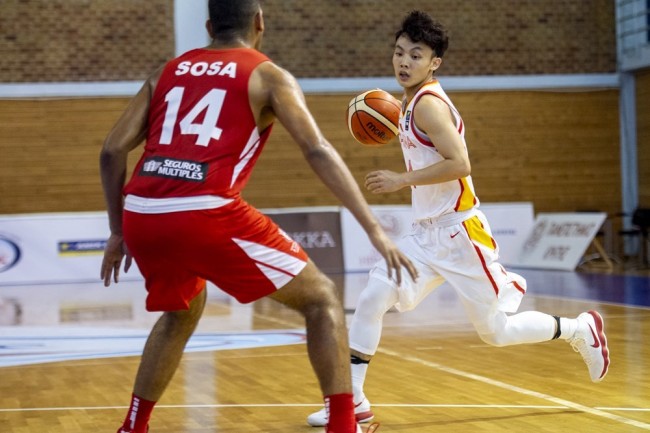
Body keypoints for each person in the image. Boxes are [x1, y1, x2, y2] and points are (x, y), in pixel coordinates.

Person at [99, 1, 416, 433]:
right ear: (259, 22)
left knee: (180, 312)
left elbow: (112, 150)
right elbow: (317, 149)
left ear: (209, 26)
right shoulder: (268, 75)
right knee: (322, 298)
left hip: (142, 212)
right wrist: (375, 229)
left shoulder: (168, 71)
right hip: (205, 209)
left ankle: (133, 426)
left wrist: (117, 232)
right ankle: (344, 424)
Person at [307, 10, 610, 427]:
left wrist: (401, 179)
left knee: (497, 332)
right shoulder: (407, 103)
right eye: (399, 52)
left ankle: (578, 329)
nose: (404, 62)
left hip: (459, 233)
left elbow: (460, 163)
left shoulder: (429, 105)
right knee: (374, 296)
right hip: (425, 236)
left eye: (415, 55)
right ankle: (352, 400)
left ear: (434, 62)